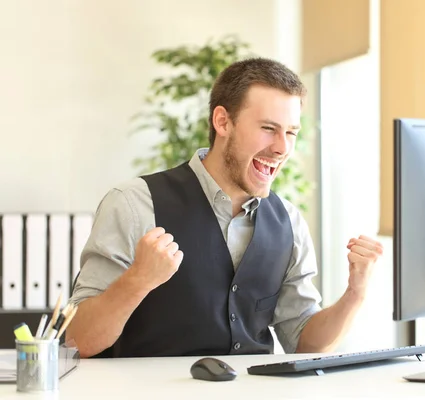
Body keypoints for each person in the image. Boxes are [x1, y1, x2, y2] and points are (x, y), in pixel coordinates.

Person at [65, 57, 384, 358]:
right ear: (222, 122)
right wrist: (137, 280)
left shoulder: (289, 222)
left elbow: (304, 342)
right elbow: (77, 341)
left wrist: (355, 294)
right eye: (268, 129)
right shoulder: (133, 203)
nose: (282, 147)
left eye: (291, 132)